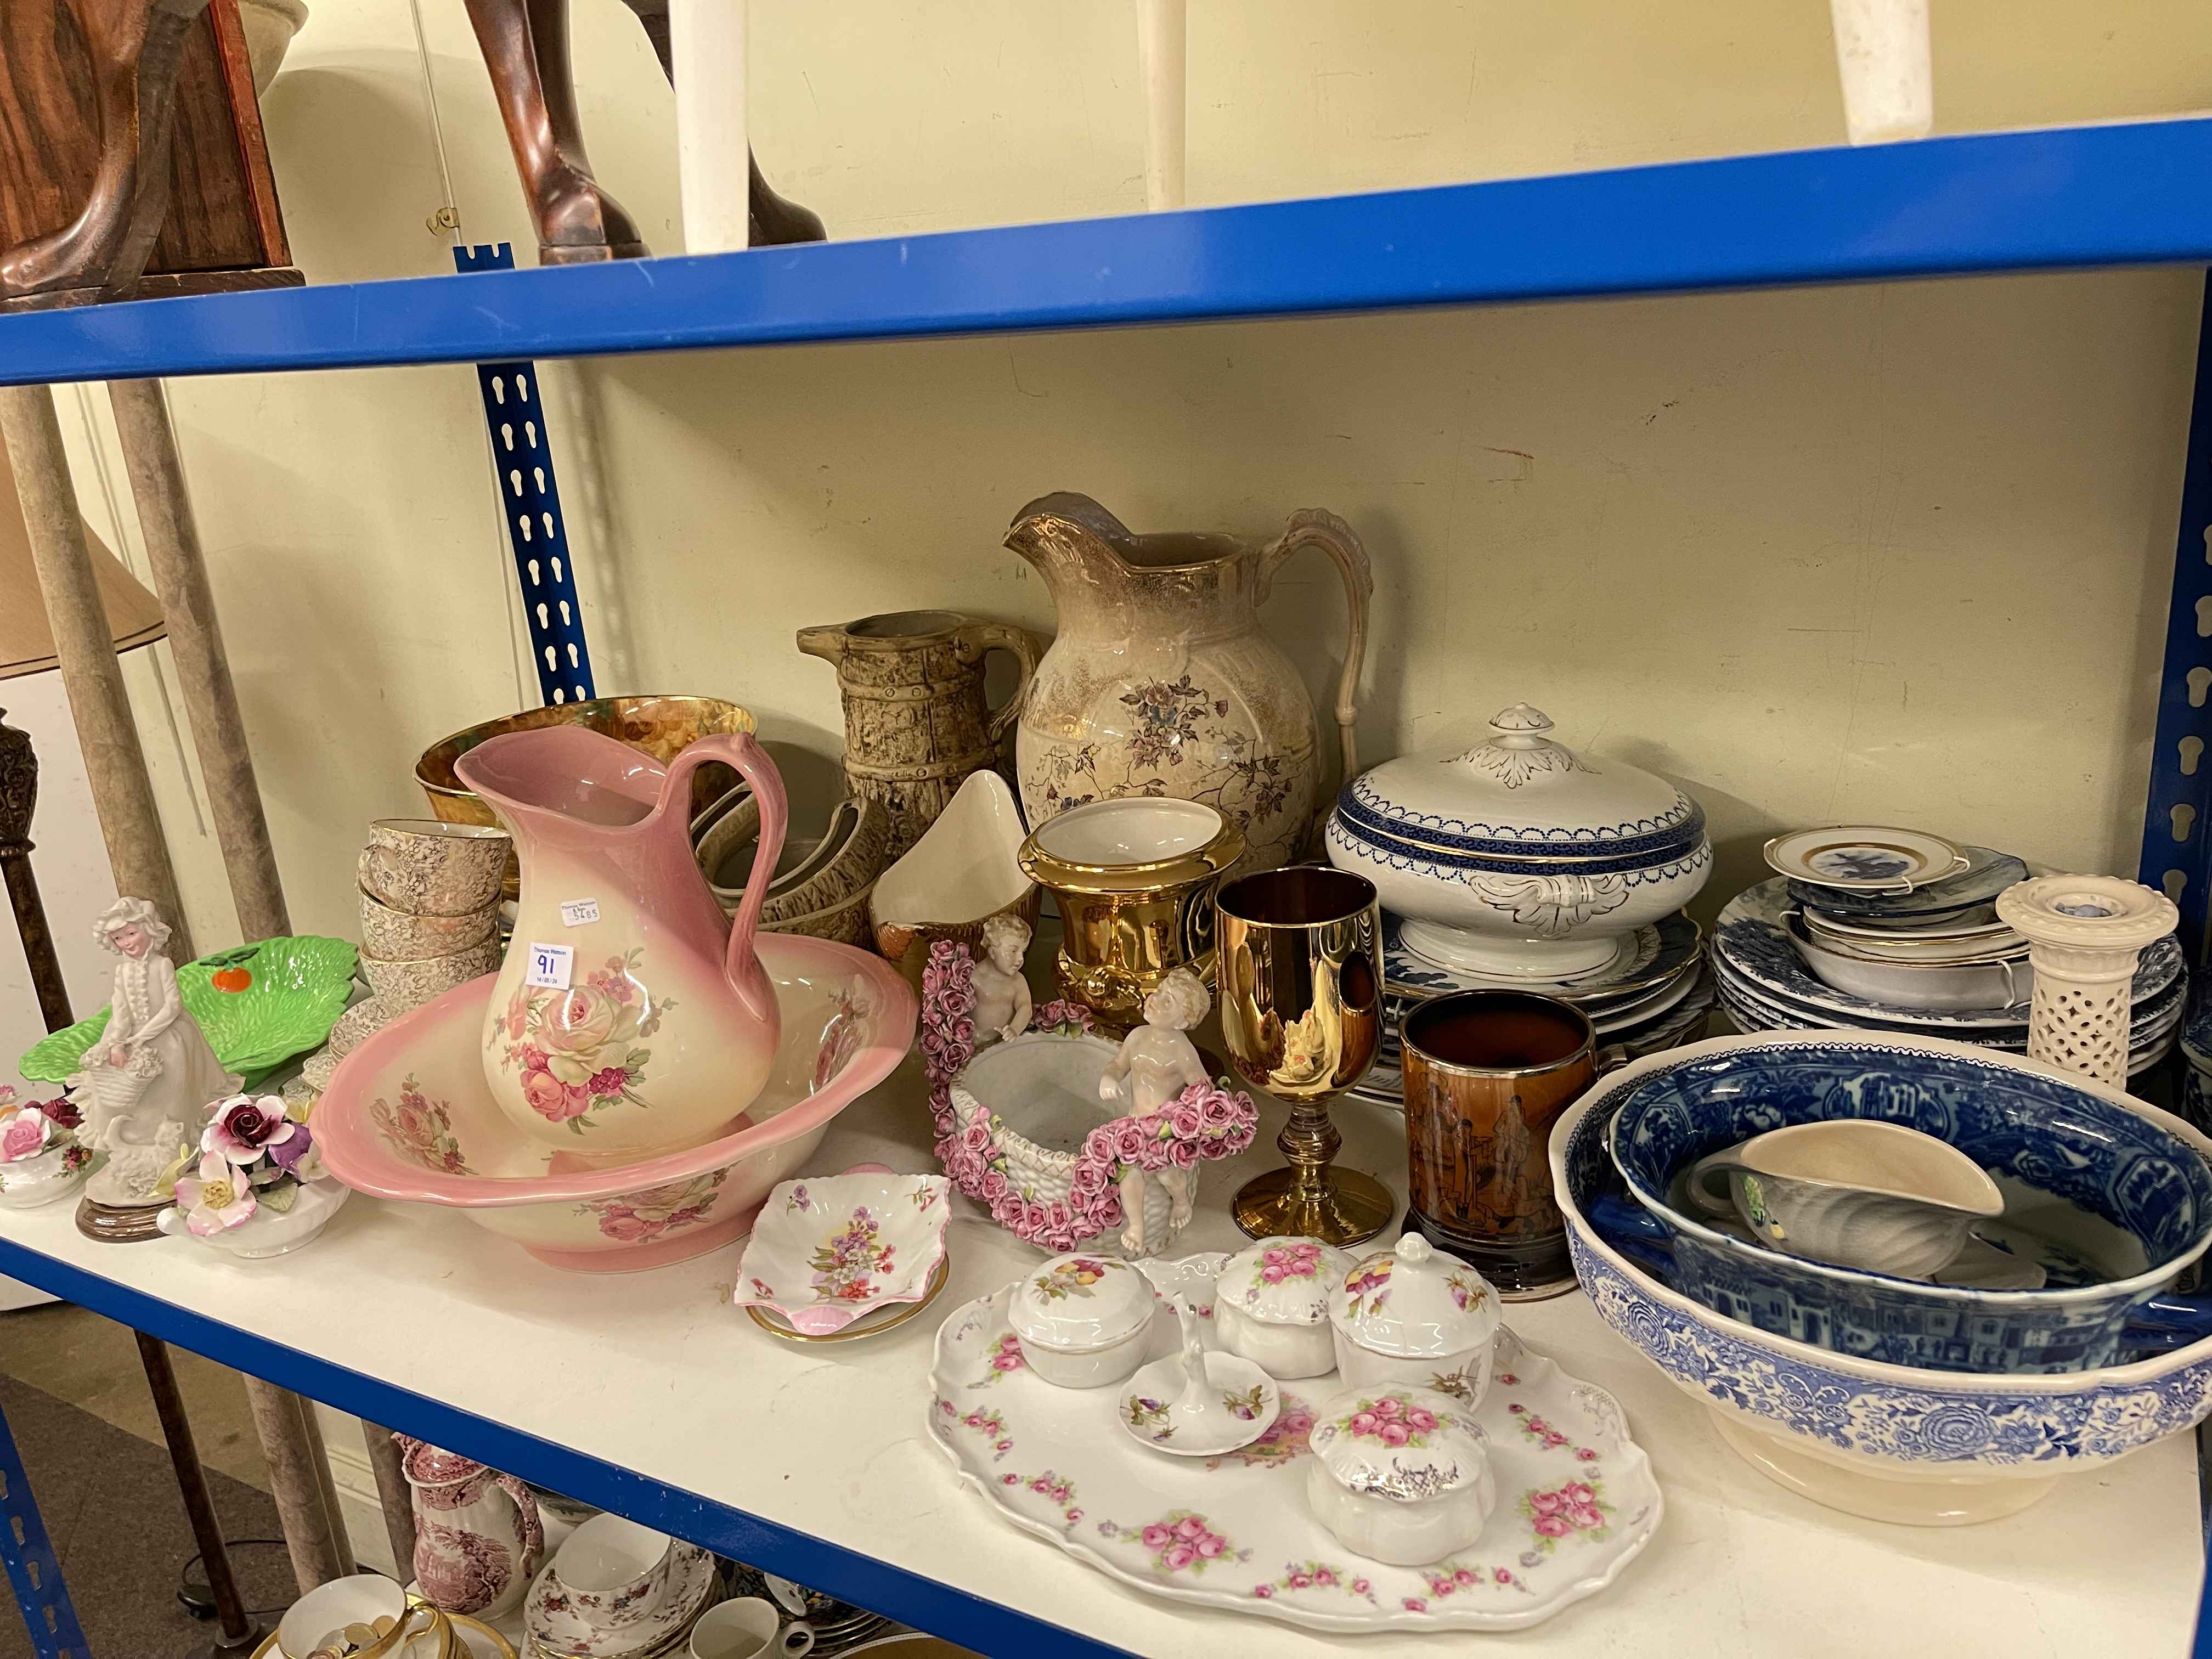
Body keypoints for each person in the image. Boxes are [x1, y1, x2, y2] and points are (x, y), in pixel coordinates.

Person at [76, 898, 238, 1206]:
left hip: (169, 1037)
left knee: (174, 1091)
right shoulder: (122, 973)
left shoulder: (163, 965)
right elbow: (121, 1012)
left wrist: (141, 1038)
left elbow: (171, 1008)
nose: (127, 943)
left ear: (149, 930)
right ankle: (141, 1153)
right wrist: (118, 1041)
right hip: (134, 1039)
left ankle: (181, 1146)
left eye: (131, 934)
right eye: (118, 939)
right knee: (134, 1098)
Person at [1098, 968, 1212, 1254]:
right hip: (1135, 1123)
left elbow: (1202, 1086)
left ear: (1184, 1020)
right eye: (1159, 991)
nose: (1156, 1000)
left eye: (1168, 1001)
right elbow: (1118, 1065)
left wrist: (1187, 1117)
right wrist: (1109, 1077)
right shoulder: (1137, 1036)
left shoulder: (1182, 1051)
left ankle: (1182, 1198)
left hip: (1164, 1129)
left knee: (1165, 1175)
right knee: (1128, 1171)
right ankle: (1137, 1225)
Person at [970, 913, 1034, 1049]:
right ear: (992, 952)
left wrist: (1014, 1029)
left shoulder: (1018, 981)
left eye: (1023, 951)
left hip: (1004, 1044)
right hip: (974, 1042)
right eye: (1013, 951)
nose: (1020, 959)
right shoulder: (974, 977)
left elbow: (1025, 1008)